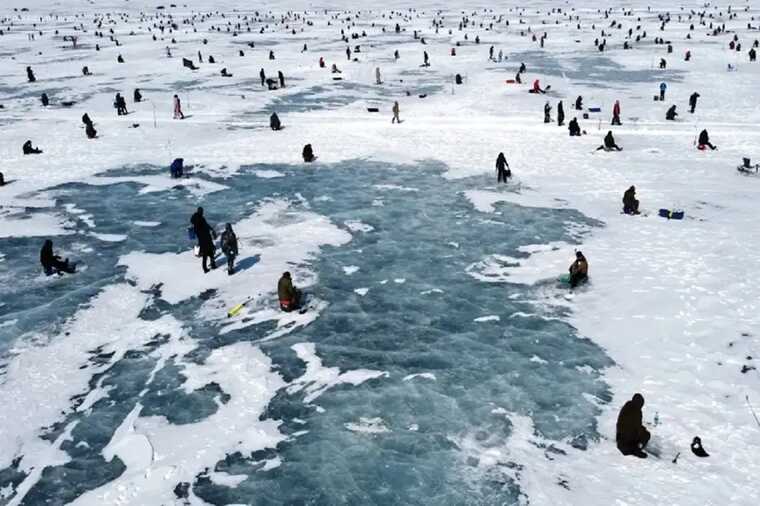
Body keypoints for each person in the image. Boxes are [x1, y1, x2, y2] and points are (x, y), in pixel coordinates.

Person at [616, 393, 651, 458]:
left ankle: (633, 449)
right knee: (646, 435)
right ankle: (637, 449)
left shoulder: (627, 406)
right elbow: (637, 428)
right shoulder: (636, 411)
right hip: (628, 441)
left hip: (620, 441)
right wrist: (644, 430)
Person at [190, 207, 217, 273]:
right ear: (200, 211)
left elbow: (201, 227)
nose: (203, 212)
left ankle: (207, 267)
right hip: (206, 238)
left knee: (206, 253)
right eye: (202, 211)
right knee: (210, 252)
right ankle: (210, 266)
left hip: (201, 239)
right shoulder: (200, 219)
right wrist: (211, 229)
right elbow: (206, 225)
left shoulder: (195, 219)